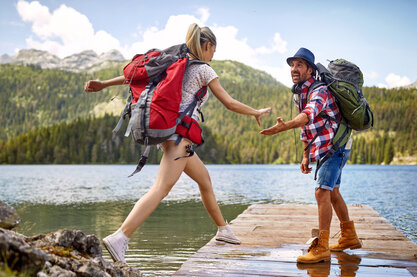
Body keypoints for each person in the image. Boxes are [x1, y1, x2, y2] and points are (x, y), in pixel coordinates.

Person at [84, 23, 271, 263]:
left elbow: (134, 76)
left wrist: (103, 84)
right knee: (160, 189)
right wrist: (254, 111)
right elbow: (229, 102)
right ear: (207, 46)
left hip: (175, 137)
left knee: (204, 179)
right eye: (214, 50)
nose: (214, 55)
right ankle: (120, 237)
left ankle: (223, 230)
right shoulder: (204, 70)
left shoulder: (174, 63)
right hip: (179, 138)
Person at [260, 47, 361, 263]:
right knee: (332, 192)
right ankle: (349, 236)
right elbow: (306, 128)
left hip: (336, 146)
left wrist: (284, 126)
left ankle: (322, 247)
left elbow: (308, 115)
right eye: (292, 65)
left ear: (310, 69)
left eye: (299, 65)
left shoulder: (320, 90)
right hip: (328, 147)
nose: (294, 69)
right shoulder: (300, 93)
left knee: (321, 192)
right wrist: (305, 155)